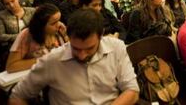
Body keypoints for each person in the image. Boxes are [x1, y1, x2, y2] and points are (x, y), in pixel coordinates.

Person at [9, 9, 139, 105]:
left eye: (89, 49)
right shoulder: (52, 60)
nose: (82, 56)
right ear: (69, 38)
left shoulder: (116, 48)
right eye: (75, 48)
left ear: (101, 37)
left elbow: (132, 90)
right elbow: (17, 96)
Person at [6, 3, 68, 73]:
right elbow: (11, 66)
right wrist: (43, 60)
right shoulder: (27, 35)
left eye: (59, 20)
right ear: (41, 25)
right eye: (53, 23)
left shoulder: (59, 30)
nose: (59, 24)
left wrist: (65, 36)